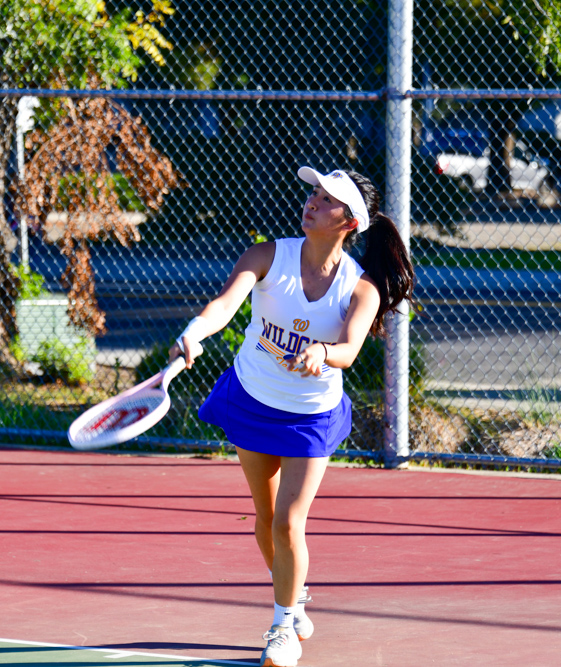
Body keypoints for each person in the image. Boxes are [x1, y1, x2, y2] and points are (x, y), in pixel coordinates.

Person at [170, 166, 414, 667]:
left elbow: (348, 349)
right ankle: (294, 598)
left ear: (350, 222)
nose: (313, 202)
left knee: (287, 521)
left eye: (328, 200)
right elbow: (224, 305)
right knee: (265, 520)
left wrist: (322, 353)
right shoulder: (266, 255)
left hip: (309, 416)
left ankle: (282, 629)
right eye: (314, 193)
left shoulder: (360, 287)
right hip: (253, 397)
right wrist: (194, 331)